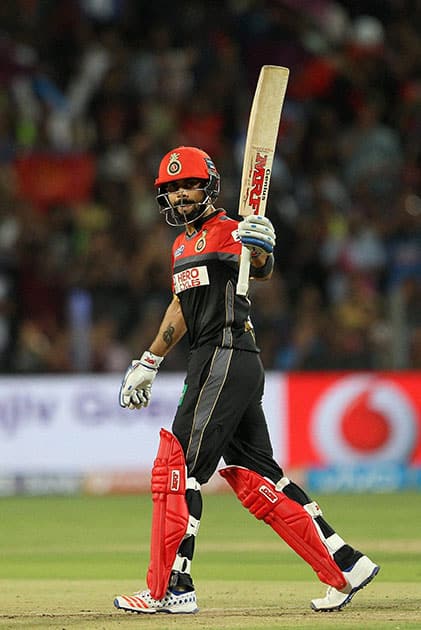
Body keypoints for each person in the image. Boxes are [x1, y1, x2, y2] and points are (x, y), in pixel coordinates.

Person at [113, 146, 379, 615]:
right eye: (171, 189)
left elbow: (258, 265)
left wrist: (262, 247)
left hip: (224, 351)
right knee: (259, 477)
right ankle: (344, 564)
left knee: (178, 469)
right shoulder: (180, 246)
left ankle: (172, 587)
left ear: (209, 185)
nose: (180, 196)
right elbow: (181, 307)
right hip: (222, 359)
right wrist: (150, 360)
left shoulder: (233, 230)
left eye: (188, 185)